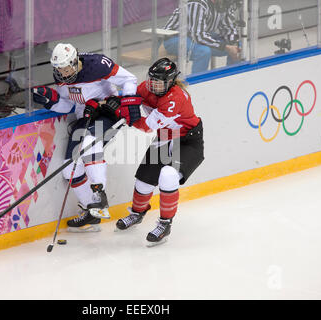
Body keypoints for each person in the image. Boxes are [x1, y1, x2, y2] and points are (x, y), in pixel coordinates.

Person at [32, 43, 140, 232]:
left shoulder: (97, 64)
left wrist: (128, 102)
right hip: (86, 116)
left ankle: (99, 194)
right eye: (59, 70)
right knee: (69, 169)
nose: (63, 74)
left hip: (107, 113)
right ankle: (92, 211)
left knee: (90, 144)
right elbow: (68, 106)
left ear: (75, 62)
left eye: (66, 69)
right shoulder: (60, 76)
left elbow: (129, 79)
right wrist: (51, 102)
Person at [107, 57, 204, 246]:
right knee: (143, 181)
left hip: (187, 141)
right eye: (151, 80)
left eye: (158, 82)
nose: (152, 85)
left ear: (170, 82)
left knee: (168, 175)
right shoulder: (147, 87)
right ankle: (137, 213)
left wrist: (124, 114)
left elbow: (145, 127)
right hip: (165, 137)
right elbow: (130, 99)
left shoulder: (174, 100)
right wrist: (116, 104)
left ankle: (165, 223)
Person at [163, 0, 241, 74]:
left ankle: (232, 75)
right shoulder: (197, 3)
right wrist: (226, 47)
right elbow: (198, 36)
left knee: (237, 47)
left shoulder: (224, 3)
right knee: (203, 52)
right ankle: (196, 84)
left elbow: (228, 28)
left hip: (201, 35)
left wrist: (233, 44)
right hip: (175, 38)